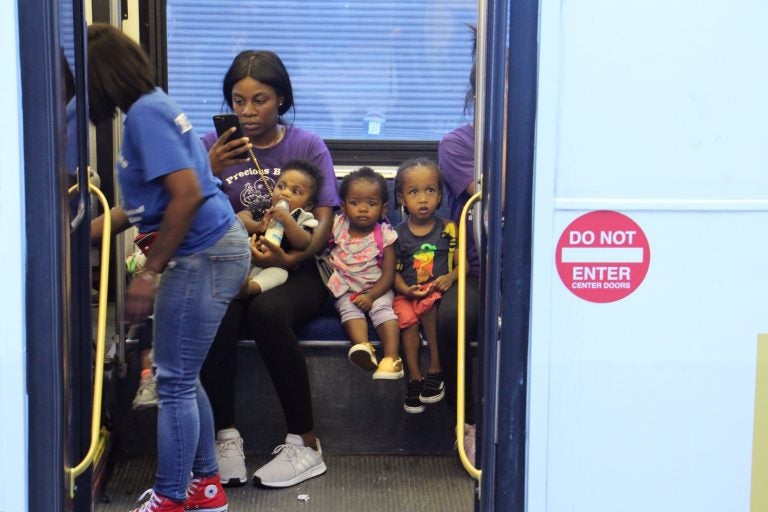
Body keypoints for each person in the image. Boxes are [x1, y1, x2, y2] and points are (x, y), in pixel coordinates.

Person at [87, 24, 250, 512]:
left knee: (173, 381)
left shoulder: (144, 117)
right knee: (182, 373)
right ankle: (204, 485)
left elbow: (187, 195)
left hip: (202, 252)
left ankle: (171, 497)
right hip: (211, 248)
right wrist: (75, 232)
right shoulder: (154, 104)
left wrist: (148, 271)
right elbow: (152, 201)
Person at [198, 50, 339, 488]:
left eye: (259, 100)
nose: (247, 112)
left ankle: (305, 443)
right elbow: (188, 208)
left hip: (301, 268)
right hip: (237, 264)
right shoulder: (210, 147)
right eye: (238, 101)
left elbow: (323, 228)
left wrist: (289, 258)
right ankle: (225, 438)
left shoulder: (307, 145)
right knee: (218, 310)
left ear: (280, 99)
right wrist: (210, 168)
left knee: (267, 312)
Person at [436, 31, 481, 465]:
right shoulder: (459, 143)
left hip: (537, 269)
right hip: (477, 270)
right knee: (453, 320)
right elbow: (495, 193)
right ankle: (467, 421)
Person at [392, 158, 459, 414]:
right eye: (414, 192)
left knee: (430, 311)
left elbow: (461, 265)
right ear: (401, 198)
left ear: (440, 195)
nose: (423, 199)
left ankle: (436, 369)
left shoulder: (449, 229)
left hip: (434, 294)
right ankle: (414, 378)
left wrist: (449, 278)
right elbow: (393, 272)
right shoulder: (397, 234)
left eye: (430, 191)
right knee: (406, 321)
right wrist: (405, 290)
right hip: (408, 294)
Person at [325, 167, 402, 379]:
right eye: (355, 203)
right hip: (346, 288)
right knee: (348, 309)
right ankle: (362, 348)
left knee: (384, 311)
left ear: (383, 209)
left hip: (377, 288)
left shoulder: (385, 236)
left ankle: (391, 358)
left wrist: (372, 296)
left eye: (372, 203)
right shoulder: (336, 226)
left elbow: (388, 274)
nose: (363, 209)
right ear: (343, 206)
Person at [238, 159, 323, 296]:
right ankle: (234, 282)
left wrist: (287, 219)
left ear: (308, 205)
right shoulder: (265, 207)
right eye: (281, 187)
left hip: (276, 265)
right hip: (250, 257)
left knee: (280, 273)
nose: (285, 193)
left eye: (295, 191)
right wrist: (257, 225)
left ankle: (249, 289)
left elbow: (303, 243)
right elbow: (240, 218)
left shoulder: (302, 217)